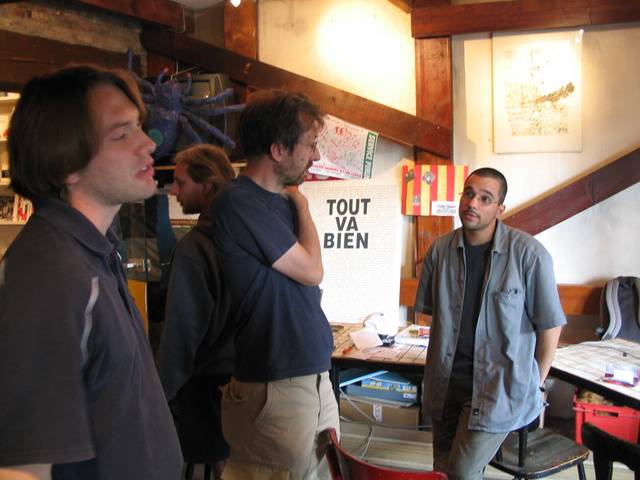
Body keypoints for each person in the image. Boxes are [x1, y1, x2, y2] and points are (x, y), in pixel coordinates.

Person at [0, 66, 182, 479]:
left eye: (139, 127)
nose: (148, 143)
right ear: (66, 162)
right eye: (121, 134)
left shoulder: (92, 251)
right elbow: (20, 469)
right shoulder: (49, 275)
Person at [211, 89, 339, 479]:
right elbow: (312, 271)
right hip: (276, 386)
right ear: (278, 149)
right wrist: (302, 204)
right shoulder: (239, 201)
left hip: (311, 379)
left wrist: (295, 203)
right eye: (310, 145)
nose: (315, 156)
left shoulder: (278, 203)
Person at [414, 167, 565, 480]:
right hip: (445, 384)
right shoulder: (439, 251)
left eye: (485, 198)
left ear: (500, 209)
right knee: (441, 470)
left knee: (460, 472)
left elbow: (550, 326)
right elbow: (430, 314)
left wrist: (535, 384)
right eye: (469, 194)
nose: (473, 203)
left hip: (497, 390)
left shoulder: (529, 255)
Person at [156, 144, 236, 479]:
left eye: (181, 183)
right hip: (251, 378)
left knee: (221, 467)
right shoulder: (252, 235)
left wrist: (158, 393)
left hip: (208, 385)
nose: (174, 191)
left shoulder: (194, 249)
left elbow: (181, 334)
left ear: (207, 185)